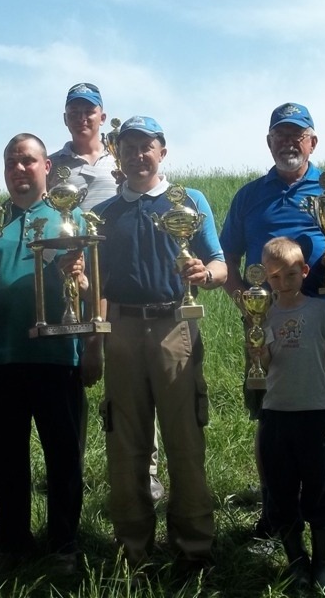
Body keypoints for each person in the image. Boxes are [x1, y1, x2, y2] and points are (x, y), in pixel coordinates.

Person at [220, 102, 325, 556]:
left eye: (297, 134)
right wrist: (246, 304)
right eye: (280, 135)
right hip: (264, 323)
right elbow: (227, 258)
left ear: (313, 142)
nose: (289, 142)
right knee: (268, 414)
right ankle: (274, 514)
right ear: (269, 142)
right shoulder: (249, 196)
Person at [89, 115, 228, 572]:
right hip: (123, 331)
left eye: (146, 146)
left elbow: (219, 262)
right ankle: (134, 547)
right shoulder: (106, 214)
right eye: (128, 147)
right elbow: (96, 284)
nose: (137, 154)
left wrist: (205, 276)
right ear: (118, 154)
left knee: (184, 439)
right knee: (124, 442)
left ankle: (194, 546)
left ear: (162, 151)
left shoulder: (188, 201)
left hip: (175, 328)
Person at [0, 133, 93, 577]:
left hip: (58, 356)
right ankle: (11, 541)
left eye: (27, 160)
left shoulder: (70, 216)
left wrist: (90, 324)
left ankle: (64, 544)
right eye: (11, 161)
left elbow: (93, 285)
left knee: (63, 455)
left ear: (46, 166)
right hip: (1, 354)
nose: (19, 168)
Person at [47, 82, 165, 502]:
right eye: (75, 111)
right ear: (66, 117)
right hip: (66, 272)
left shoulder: (120, 159)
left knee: (131, 378)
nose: (82, 117)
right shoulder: (52, 164)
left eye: (89, 110)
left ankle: (145, 472)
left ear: (101, 115)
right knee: (71, 373)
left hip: (111, 277)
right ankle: (70, 469)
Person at [257, 237, 325, 590]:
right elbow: (263, 365)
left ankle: (322, 564)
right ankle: (297, 562)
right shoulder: (262, 313)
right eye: (276, 277)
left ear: (305, 271)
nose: (284, 282)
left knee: (318, 489)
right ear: (267, 278)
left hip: (316, 413)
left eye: (292, 274)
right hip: (277, 413)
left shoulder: (320, 311)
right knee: (282, 490)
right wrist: (257, 345)